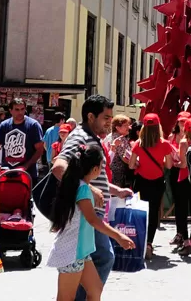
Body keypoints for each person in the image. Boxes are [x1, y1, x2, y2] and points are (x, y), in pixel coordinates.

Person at [52, 95, 133, 301]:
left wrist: (115, 190)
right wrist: (87, 188)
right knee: (104, 258)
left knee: (98, 272)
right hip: (83, 221)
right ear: (90, 116)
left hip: (89, 221)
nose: (109, 122)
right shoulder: (79, 137)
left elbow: (93, 176)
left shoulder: (93, 137)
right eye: (106, 117)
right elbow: (59, 167)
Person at [127, 113, 173, 259]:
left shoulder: (138, 144)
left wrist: (141, 164)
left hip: (141, 181)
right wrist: (160, 163)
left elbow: (131, 164)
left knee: (139, 212)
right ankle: (149, 243)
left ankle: (139, 241)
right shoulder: (164, 144)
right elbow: (170, 165)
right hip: (157, 181)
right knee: (153, 214)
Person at [0, 98, 45, 182]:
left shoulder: (33, 125)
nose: (20, 112)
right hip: (6, 173)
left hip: (27, 175)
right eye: (17, 109)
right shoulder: (4, 125)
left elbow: (40, 150)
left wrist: (25, 166)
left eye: (22, 109)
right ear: (10, 110)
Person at [172, 116, 191, 255]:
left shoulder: (184, 142)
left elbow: (183, 164)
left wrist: (175, 163)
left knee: (182, 211)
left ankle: (185, 242)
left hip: (184, 178)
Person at [108, 115, 134, 190]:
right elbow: (125, 157)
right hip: (118, 174)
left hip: (115, 172)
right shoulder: (118, 139)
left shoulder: (114, 136)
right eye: (125, 125)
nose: (128, 127)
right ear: (117, 127)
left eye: (128, 125)